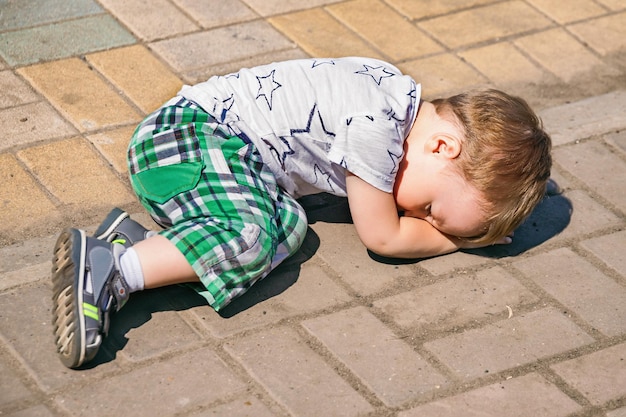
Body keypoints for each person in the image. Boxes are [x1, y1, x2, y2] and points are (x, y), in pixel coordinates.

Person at [50, 57, 551, 368]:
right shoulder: (377, 129)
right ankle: (114, 268)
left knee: (287, 227)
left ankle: (143, 246)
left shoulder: (395, 94)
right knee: (249, 235)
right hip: (184, 145)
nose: (416, 216)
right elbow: (383, 237)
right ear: (442, 146)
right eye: (428, 207)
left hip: (204, 148)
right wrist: (457, 241)